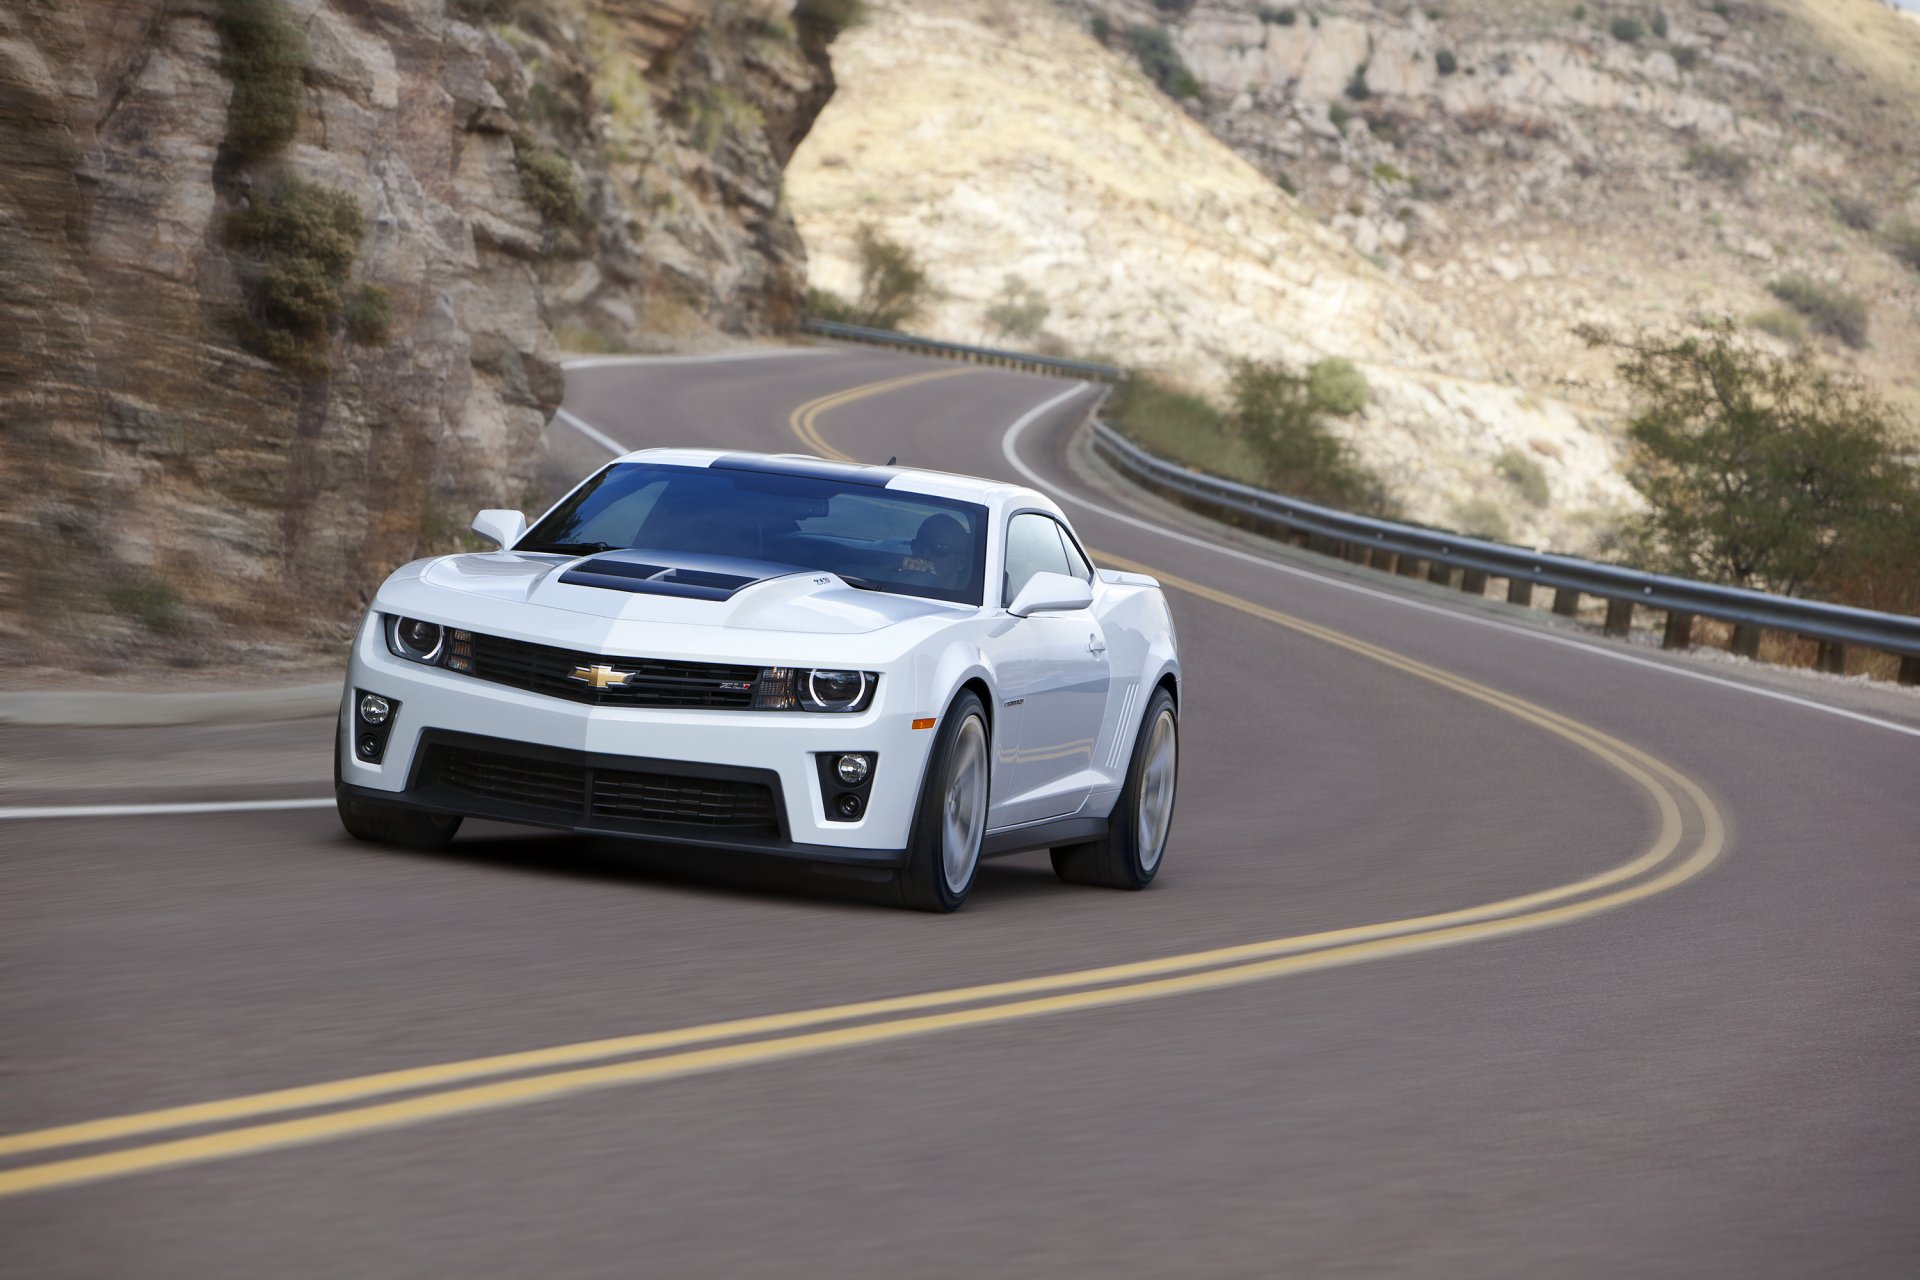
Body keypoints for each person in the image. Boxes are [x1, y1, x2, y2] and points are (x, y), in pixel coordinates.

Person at [900, 513, 970, 589]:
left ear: (960, 563)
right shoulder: (891, 576)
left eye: (939, 548)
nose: (925, 555)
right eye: (919, 545)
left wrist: (933, 581)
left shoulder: (977, 599)